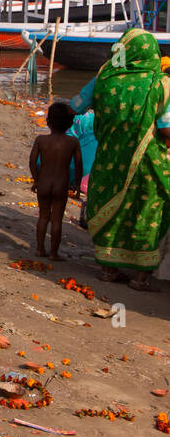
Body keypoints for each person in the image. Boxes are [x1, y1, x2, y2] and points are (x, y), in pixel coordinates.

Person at [72, 30, 170, 289]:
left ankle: (108, 269)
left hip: (109, 160)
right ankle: (140, 276)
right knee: (145, 210)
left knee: (109, 205)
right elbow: (166, 128)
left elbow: (76, 105)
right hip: (146, 162)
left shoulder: (104, 77)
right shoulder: (160, 84)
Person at [29, 102, 83, 260]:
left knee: (43, 216)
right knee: (57, 219)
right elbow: (79, 164)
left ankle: (40, 249)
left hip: (44, 183)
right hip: (61, 184)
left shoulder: (41, 140)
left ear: (48, 122)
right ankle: (53, 253)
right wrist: (78, 184)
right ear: (70, 123)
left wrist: (36, 180)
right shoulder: (73, 142)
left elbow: (32, 162)